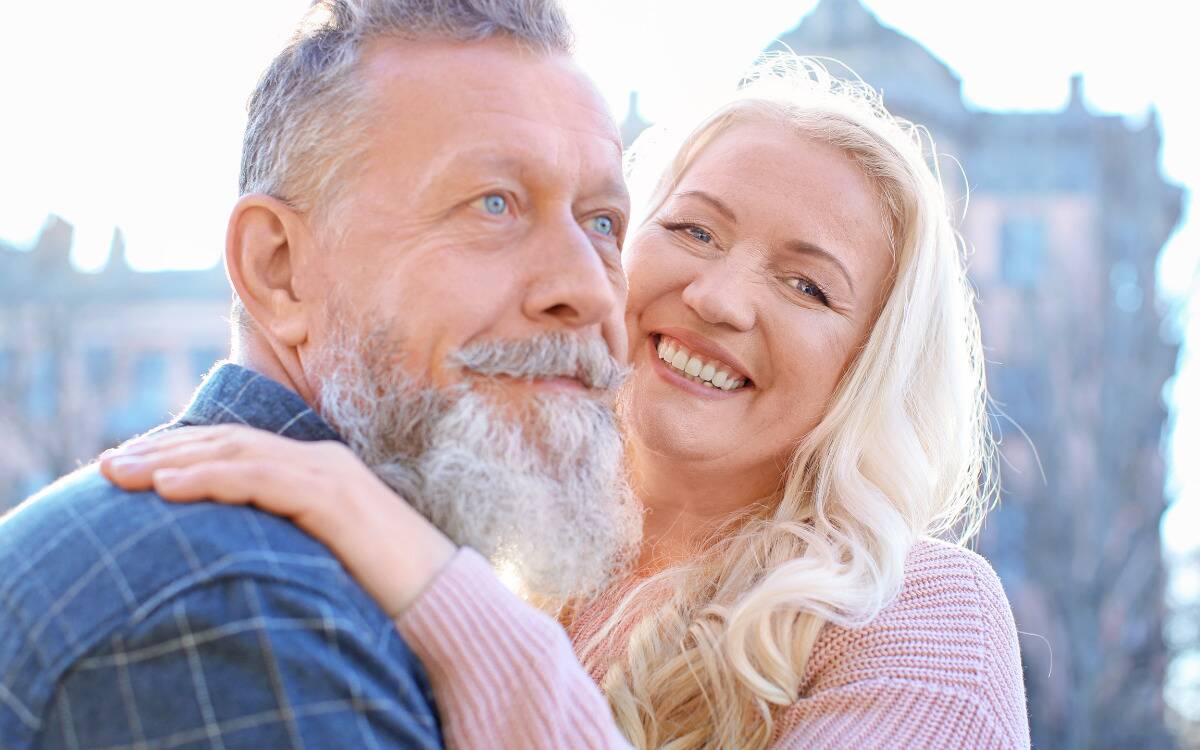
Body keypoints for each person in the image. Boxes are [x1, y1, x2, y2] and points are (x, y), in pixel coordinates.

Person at [101, 55, 1033, 749]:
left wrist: (428, 580)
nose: (719, 297)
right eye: (693, 229)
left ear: (867, 365)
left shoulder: (921, 614)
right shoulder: (507, 571)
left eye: (808, 287)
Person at [0, 0, 642, 747]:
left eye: (602, 223)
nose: (590, 289)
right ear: (279, 269)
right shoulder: (241, 612)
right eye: (493, 204)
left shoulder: (344, 590)